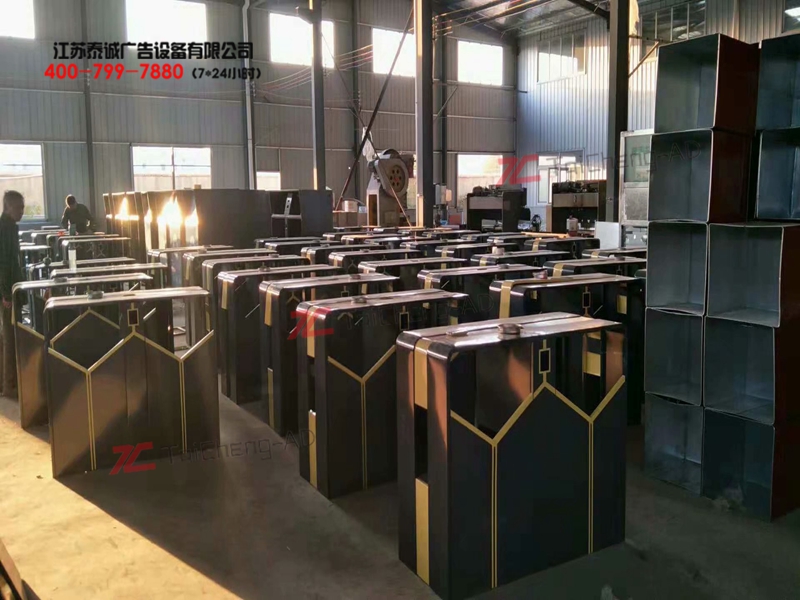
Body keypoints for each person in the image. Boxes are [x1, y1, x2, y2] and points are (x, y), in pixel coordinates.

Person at [0, 191, 25, 397]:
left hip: (8, 287)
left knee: (7, 335)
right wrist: (7, 294)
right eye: (19, 208)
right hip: (7, 290)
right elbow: (4, 263)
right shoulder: (5, 229)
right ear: (8, 207)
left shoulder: (9, 227)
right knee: (10, 336)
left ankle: (7, 381)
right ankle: (9, 385)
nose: (22, 212)